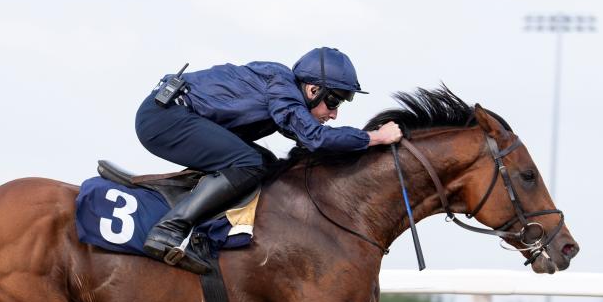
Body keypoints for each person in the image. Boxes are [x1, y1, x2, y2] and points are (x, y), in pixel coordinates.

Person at [135, 47, 403, 274]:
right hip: (164, 118)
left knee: (264, 161)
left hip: (173, 114)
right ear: (313, 89)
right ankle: (169, 229)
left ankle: (210, 231)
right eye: (333, 102)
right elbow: (316, 138)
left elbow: (306, 138)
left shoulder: (283, 92)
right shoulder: (282, 88)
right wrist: (376, 137)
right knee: (249, 162)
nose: (333, 114)